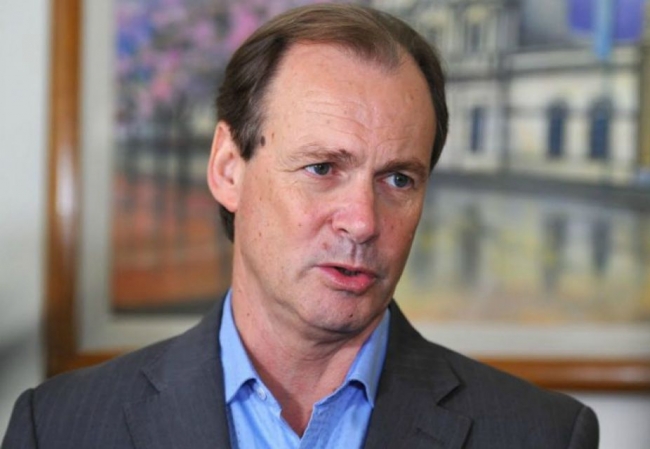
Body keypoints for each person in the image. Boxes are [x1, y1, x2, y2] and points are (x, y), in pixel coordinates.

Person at [2, 4, 598, 448]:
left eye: (398, 179)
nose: (362, 222)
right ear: (228, 168)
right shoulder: (56, 428)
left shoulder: (541, 435)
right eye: (322, 168)